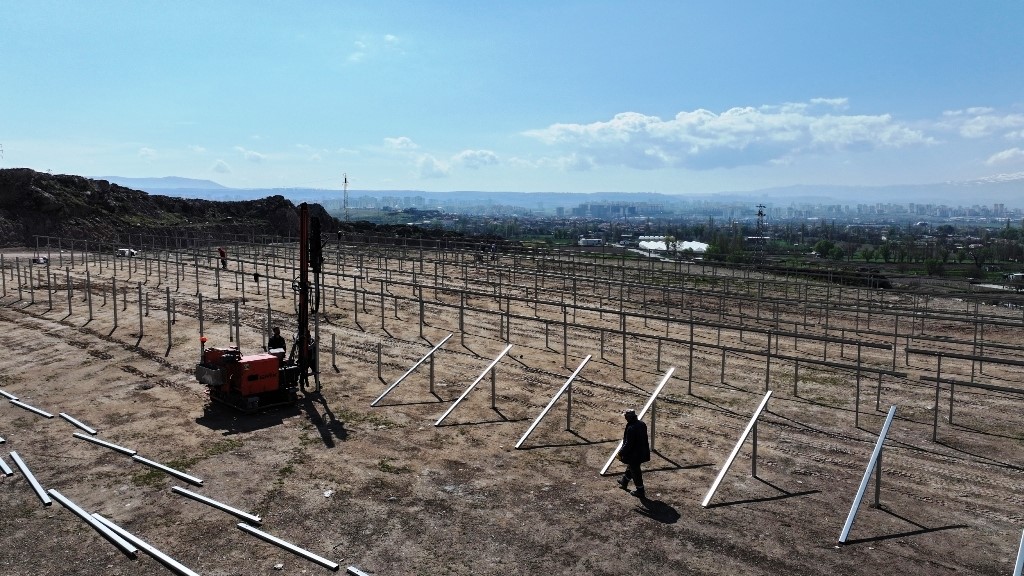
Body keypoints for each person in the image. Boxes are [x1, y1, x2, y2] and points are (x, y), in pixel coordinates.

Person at [617, 408, 651, 498]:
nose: (624, 417)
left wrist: (621, 453)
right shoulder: (641, 424)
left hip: (635, 454)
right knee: (631, 467)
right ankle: (624, 481)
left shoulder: (631, 428)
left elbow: (629, 443)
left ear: (629, 417)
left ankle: (640, 490)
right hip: (642, 451)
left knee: (635, 471)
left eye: (625, 416)